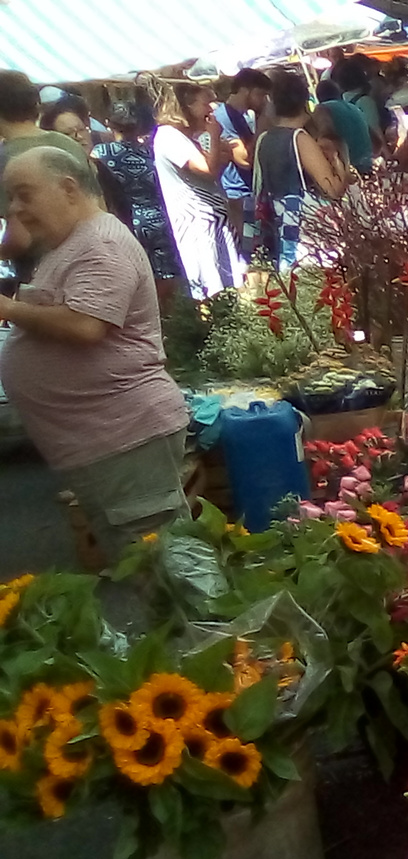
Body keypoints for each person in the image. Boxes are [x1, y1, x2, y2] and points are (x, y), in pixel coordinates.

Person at [0, 146, 190, 560]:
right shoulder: (72, 243)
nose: (14, 208)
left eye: (24, 194)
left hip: (126, 439)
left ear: (68, 188)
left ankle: (218, 628)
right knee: (147, 567)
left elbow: (86, 325)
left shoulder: (100, 245)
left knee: (169, 568)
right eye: (9, 197)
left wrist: (10, 308)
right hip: (107, 442)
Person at [151, 81, 240, 298]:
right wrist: (215, 136)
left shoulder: (185, 138)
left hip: (213, 224)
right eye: (205, 103)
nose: (212, 108)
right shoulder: (169, 137)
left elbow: (209, 174)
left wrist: (222, 156)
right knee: (210, 292)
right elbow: (207, 170)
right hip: (197, 228)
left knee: (228, 288)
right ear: (185, 106)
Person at [253, 70, 347, 272]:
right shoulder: (299, 138)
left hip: (279, 227)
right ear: (304, 100)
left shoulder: (264, 139)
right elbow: (333, 189)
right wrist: (339, 163)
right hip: (305, 233)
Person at [0, 70, 91, 279]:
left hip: (43, 274)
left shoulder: (6, 158)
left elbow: (20, 238)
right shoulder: (68, 143)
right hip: (89, 260)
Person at [91, 102, 182, 299]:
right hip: (158, 219)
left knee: (134, 275)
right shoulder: (151, 151)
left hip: (125, 221)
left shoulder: (100, 153)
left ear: (109, 124)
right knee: (166, 276)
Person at [40, 99, 132, 226]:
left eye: (81, 129)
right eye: (68, 133)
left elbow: (123, 211)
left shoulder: (100, 168)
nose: (78, 137)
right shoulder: (54, 179)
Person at [213, 67, 271, 253]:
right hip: (238, 194)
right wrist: (263, 123)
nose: (264, 100)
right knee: (251, 247)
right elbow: (246, 160)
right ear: (246, 90)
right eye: (261, 94)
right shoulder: (225, 117)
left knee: (257, 244)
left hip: (247, 191)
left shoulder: (240, 116)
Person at [335, 55, 391, 159]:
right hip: (370, 154)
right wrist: (388, 157)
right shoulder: (365, 101)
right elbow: (376, 131)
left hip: (353, 154)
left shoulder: (341, 101)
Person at [315, 78, 374, 173]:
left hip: (350, 170)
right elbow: (377, 141)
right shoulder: (354, 107)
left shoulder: (322, 109)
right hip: (369, 165)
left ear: (318, 97)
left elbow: (328, 136)